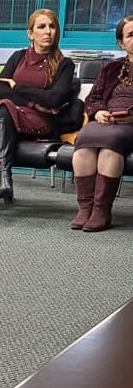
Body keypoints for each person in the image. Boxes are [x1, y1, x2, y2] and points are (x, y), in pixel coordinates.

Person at [0, 8, 77, 221]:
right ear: (31, 33)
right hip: (12, 118)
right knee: (0, 112)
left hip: (42, 121)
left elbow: (54, 99)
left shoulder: (64, 64)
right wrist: (34, 102)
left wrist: (18, 87)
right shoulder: (18, 56)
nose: (48, 31)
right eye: (41, 27)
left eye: (52, 27)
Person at [70, 15, 133, 231]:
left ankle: (101, 210)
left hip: (129, 124)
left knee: (110, 146)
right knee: (84, 141)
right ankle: (85, 209)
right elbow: (93, 98)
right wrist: (99, 112)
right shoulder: (111, 68)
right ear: (121, 43)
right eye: (131, 35)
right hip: (106, 120)